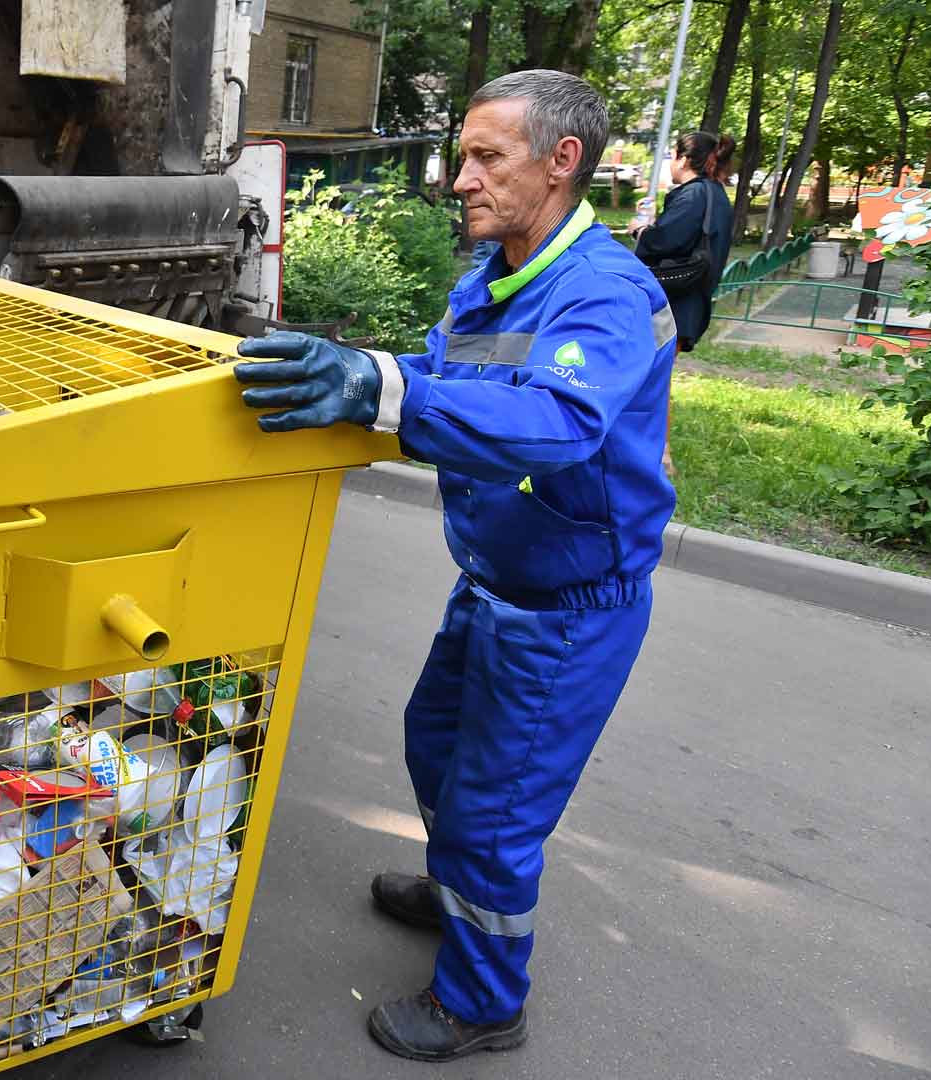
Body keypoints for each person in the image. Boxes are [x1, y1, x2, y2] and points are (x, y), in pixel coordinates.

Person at [232, 70, 677, 1062]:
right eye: (462, 154)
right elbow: (443, 377)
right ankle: (464, 893)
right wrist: (363, 375)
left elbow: (558, 423)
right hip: (495, 579)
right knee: (435, 744)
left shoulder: (602, 292)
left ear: (562, 162)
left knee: (493, 809)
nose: (459, 178)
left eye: (487, 157)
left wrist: (383, 392)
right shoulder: (497, 274)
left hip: (567, 605)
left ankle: (483, 1001)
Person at [632, 132, 735, 351]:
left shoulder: (693, 194)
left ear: (684, 160)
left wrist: (640, 230)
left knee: (650, 371)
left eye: (672, 156)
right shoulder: (715, 193)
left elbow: (666, 241)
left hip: (674, 299)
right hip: (693, 297)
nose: (670, 163)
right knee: (659, 372)